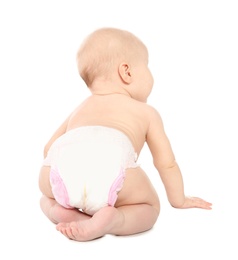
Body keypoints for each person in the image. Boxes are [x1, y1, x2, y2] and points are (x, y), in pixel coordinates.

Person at [38, 27, 212, 242]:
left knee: (45, 199)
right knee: (149, 207)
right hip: (111, 160)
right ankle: (114, 219)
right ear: (127, 72)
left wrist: (68, 176)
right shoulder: (147, 112)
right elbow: (166, 163)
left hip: (63, 163)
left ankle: (61, 212)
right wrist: (179, 200)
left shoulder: (81, 107)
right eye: (147, 66)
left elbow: (49, 149)